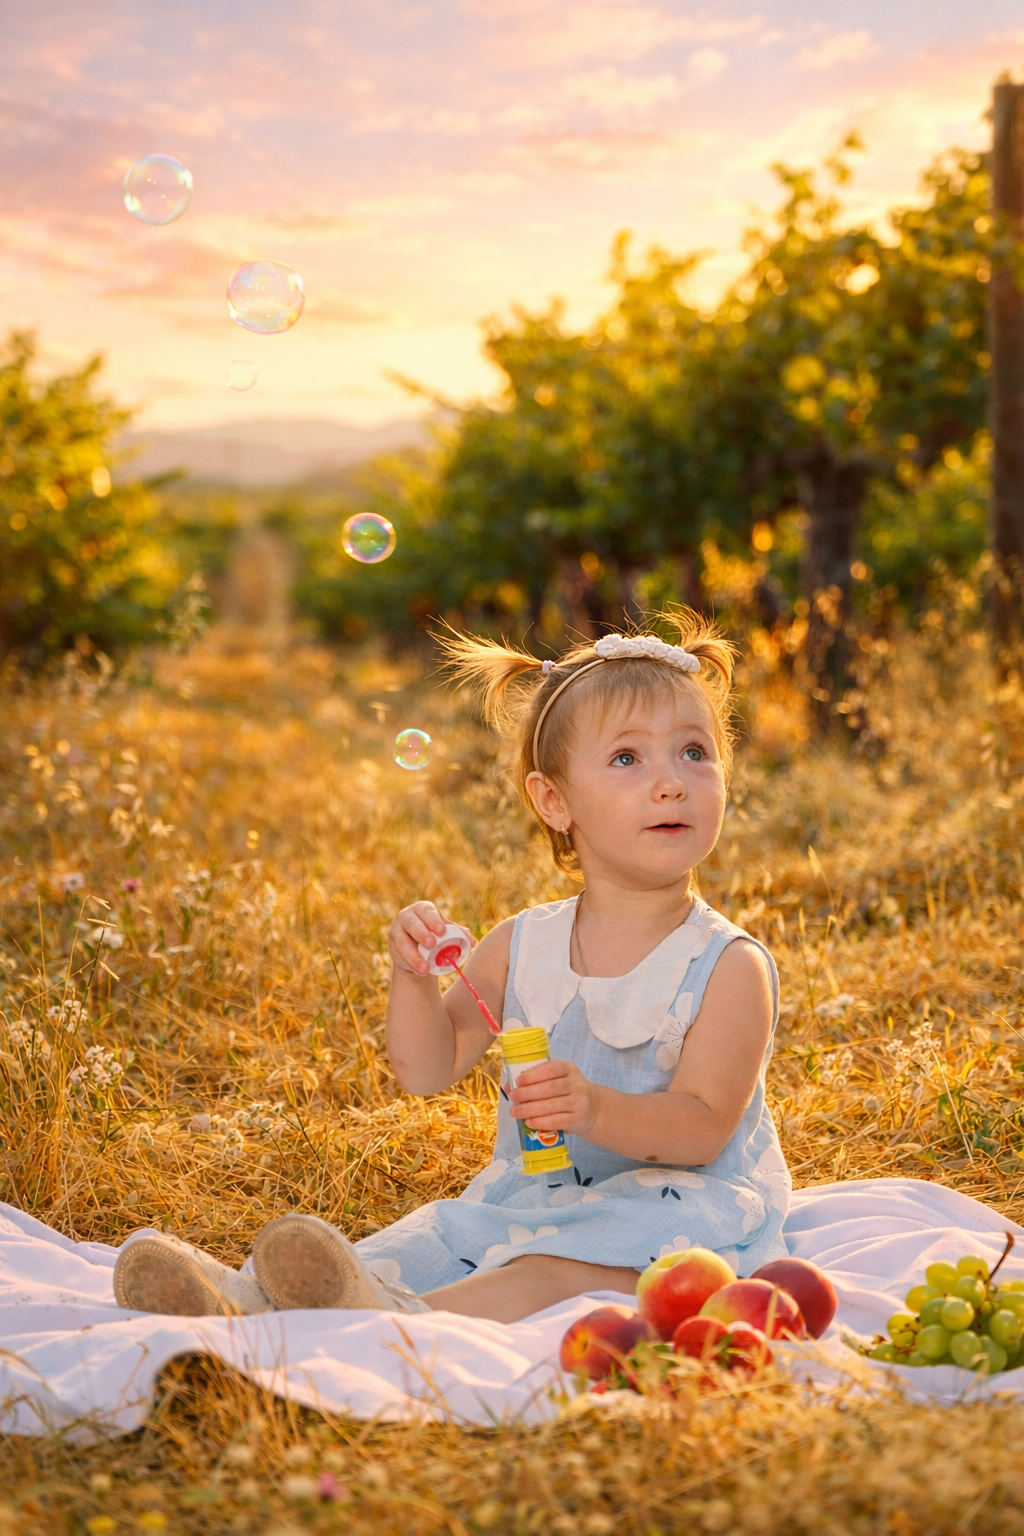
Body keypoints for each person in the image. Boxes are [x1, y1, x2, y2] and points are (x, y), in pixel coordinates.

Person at [113, 612, 791, 1323]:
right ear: (554, 802)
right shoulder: (526, 943)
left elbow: (703, 1126)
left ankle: (393, 1325)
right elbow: (427, 1068)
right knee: (432, 1238)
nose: (671, 784)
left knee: (548, 1273)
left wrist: (596, 1109)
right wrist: (413, 979)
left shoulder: (726, 964)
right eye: (628, 759)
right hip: (536, 1201)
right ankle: (252, 1298)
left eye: (694, 753)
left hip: (680, 1222)